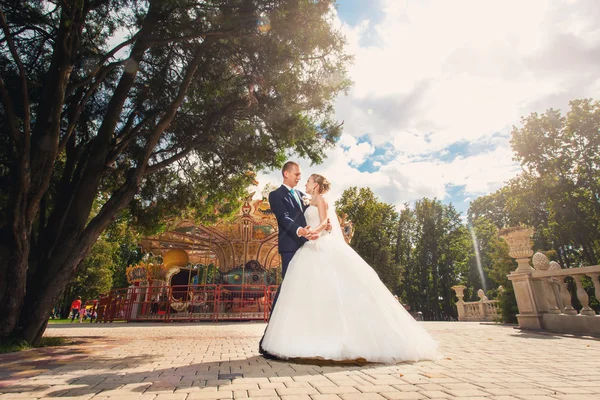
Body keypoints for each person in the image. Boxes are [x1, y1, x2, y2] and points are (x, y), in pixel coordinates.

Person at [260, 173, 439, 363]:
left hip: (318, 242)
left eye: (309, 181)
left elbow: (324, 222)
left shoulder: (321, 199)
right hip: (310, 244)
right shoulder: (310, 200)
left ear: (317, 186)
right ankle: (312, 336)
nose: (305, 182)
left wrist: (315, 231)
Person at [259, 161, 331, 357]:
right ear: (286, 174)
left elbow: (317, 216)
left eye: (301, 175)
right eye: (296, 174)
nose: (300, 177)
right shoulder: (275, 195)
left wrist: (324, 226)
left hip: (308, 248)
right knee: (287, 291)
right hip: (291, 248)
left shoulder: (302, 195)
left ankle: (303, 336)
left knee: (305, 292)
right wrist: (300, 231)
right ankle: (270, 339)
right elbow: (284, 218)